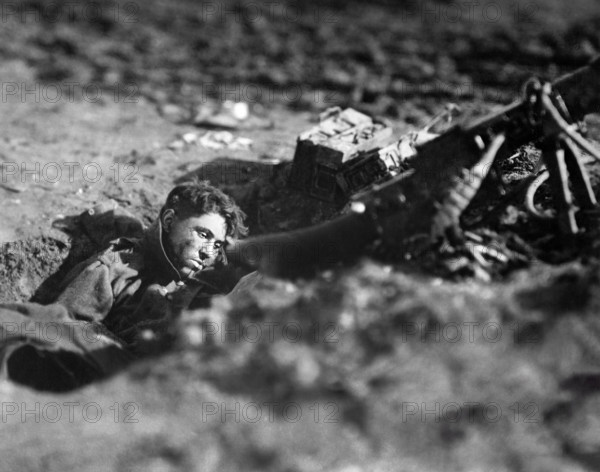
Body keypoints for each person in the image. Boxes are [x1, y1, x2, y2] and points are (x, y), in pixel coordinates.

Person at [0, 181, 249, 391]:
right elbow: (65, 327)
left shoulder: (196, 285)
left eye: (217, 245)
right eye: (204, 235)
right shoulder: (118, 266)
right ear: (170, 220)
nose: (208, 252)